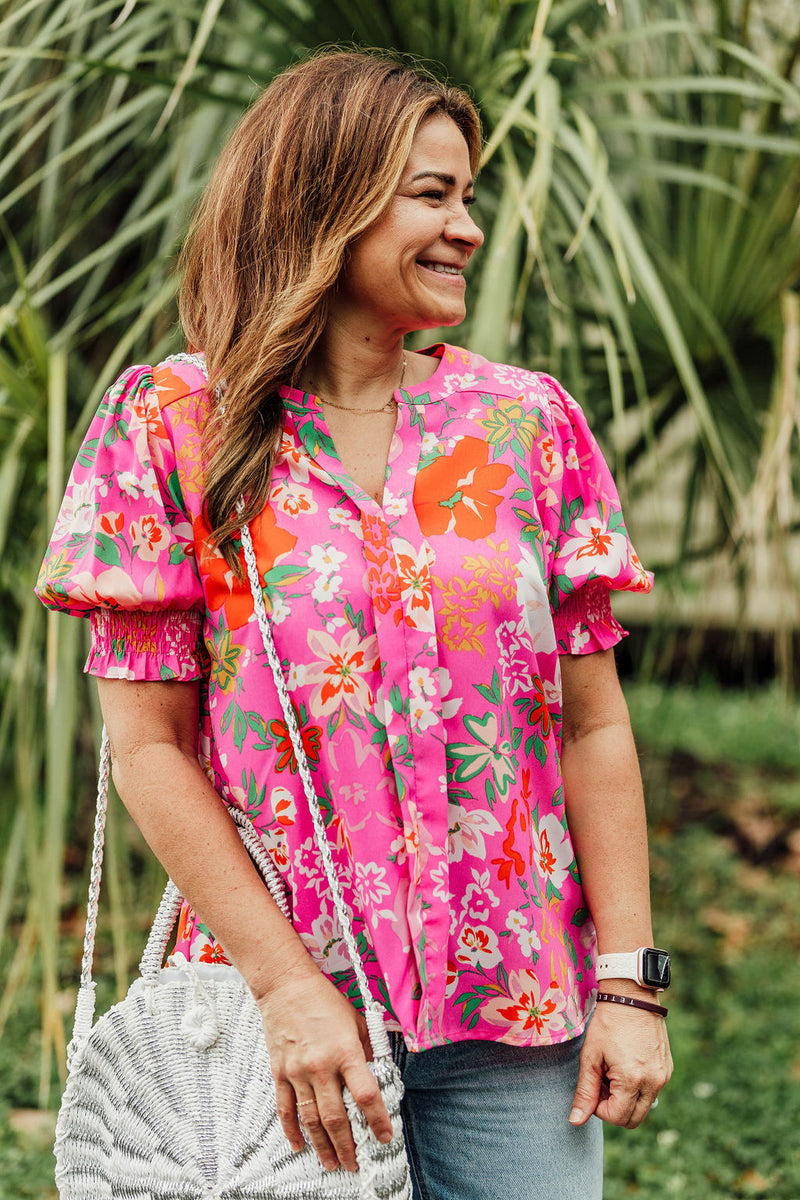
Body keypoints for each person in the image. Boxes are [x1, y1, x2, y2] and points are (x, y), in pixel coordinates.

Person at [37, 48, 672, 1200]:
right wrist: (286, 989)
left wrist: (628, 983)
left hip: (512, 1023)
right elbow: (149, 752)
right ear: (322, 201)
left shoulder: (526, 427)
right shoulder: (172, 426)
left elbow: (589, 727)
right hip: (280, 1027)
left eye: (466, 195)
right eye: (430, 194)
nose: (467, 227)